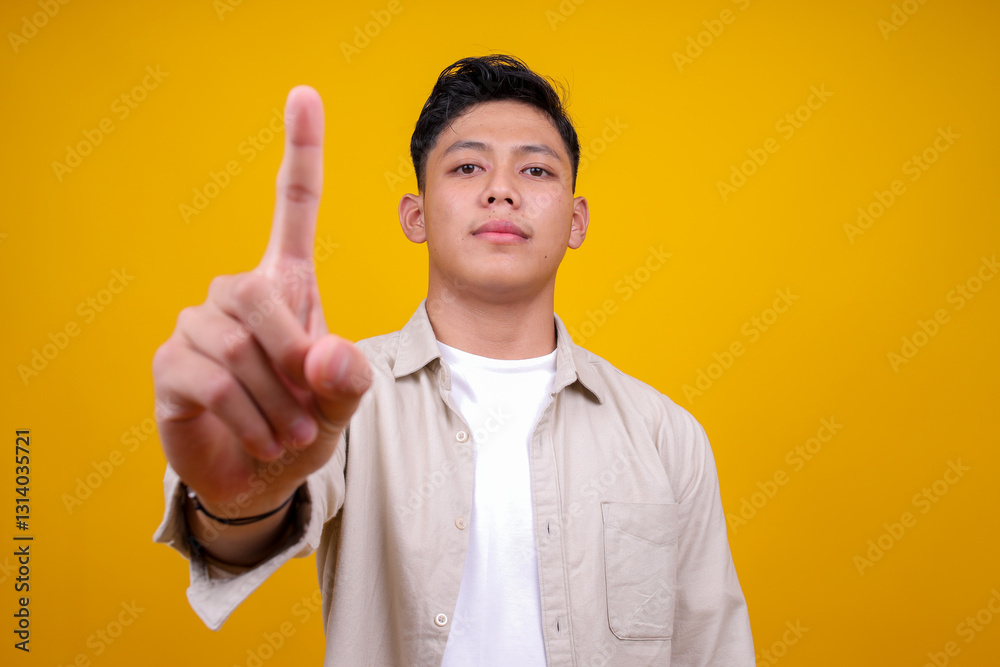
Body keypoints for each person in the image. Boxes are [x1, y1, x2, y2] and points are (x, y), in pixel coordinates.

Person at [153, 54, 755, 666]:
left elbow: (715, 651)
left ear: (576, 221)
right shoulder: (343, 399)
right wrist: (241, 487)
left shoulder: (664, 436)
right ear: (415, 216)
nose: (501, 189)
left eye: (537, 170)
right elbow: (241, 526)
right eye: (468, 166)